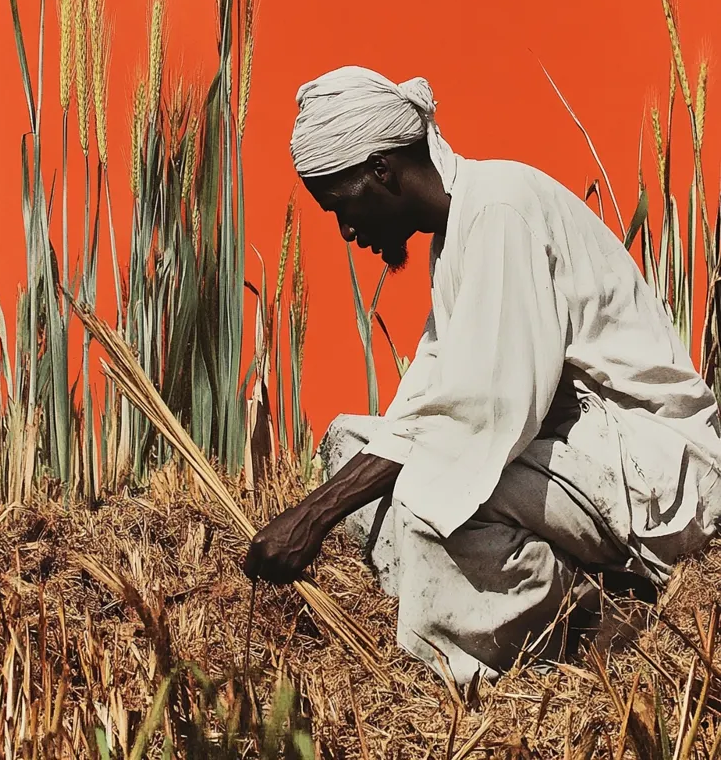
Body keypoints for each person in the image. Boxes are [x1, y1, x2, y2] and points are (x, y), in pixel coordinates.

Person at [243, 64, 721, 686]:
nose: (348, 231)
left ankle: (565, 613)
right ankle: (533, 588)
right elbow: (422, 405)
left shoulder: (502, 211)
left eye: (341, 206)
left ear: (381, 171)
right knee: (347, 445)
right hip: (574, 452)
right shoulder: (458, 235)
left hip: (653, 471)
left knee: (430, 496)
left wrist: (311, 517)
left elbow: (475, 413)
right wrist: (324, 502)